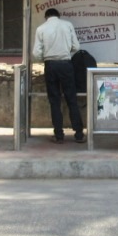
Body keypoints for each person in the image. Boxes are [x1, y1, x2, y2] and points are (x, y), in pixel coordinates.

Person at [32, 9, 86, 144]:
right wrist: (66, 52)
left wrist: (45, 57)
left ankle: (59, 135)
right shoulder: (67, 25)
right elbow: (76, 46)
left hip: (50, 65)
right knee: (71, 99)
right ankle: (79, 134)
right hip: (66, 64)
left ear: (46, 17)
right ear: (58, 16)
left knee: (54, 100)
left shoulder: (41, 28)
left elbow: (36, 52)